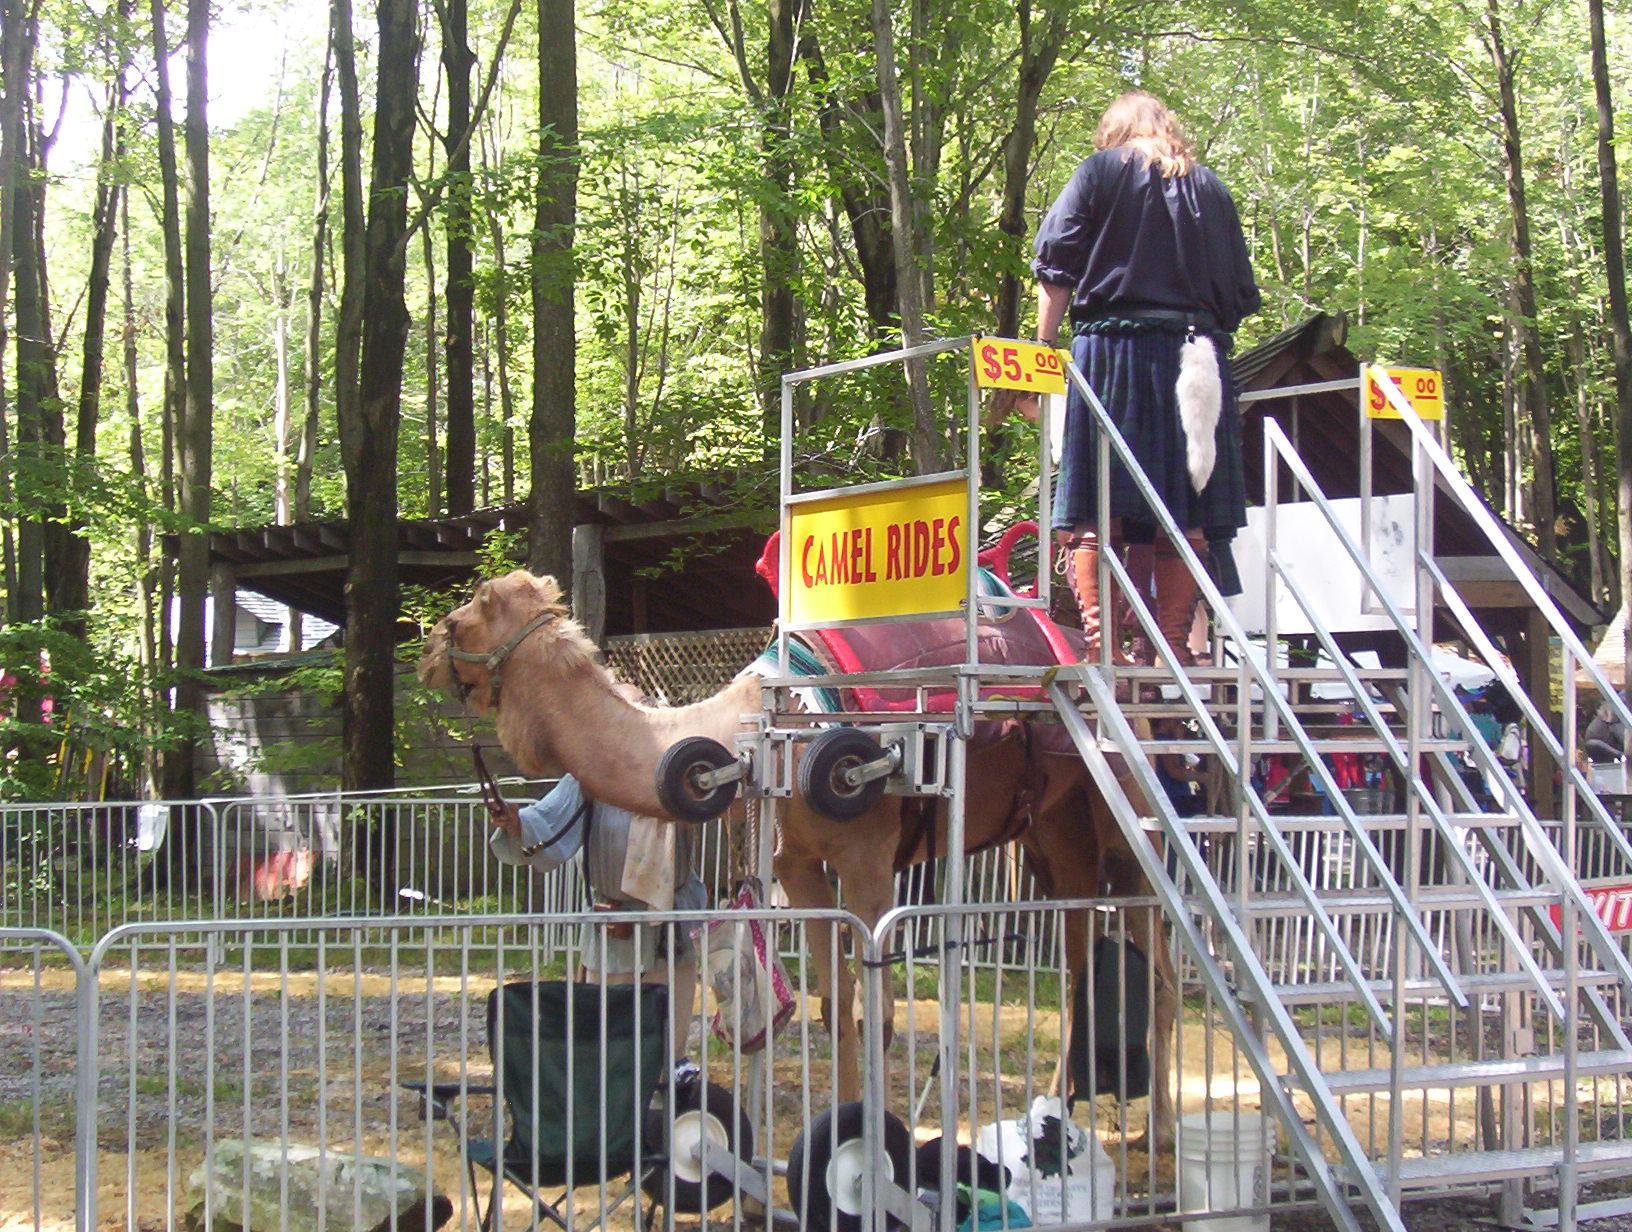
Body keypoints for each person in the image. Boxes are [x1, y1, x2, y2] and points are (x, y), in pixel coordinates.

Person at [1004, 92, 1261, 667]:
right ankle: (1169, 648)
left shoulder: (1101, 170)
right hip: (1200, 360)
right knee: (1186, 510)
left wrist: (1043, 347)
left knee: (1100, 506)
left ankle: (1102, 649)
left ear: (1114, 130)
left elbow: (1057, 267)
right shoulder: (1212, 188)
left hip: (1115, 354)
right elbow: (1239, 295)